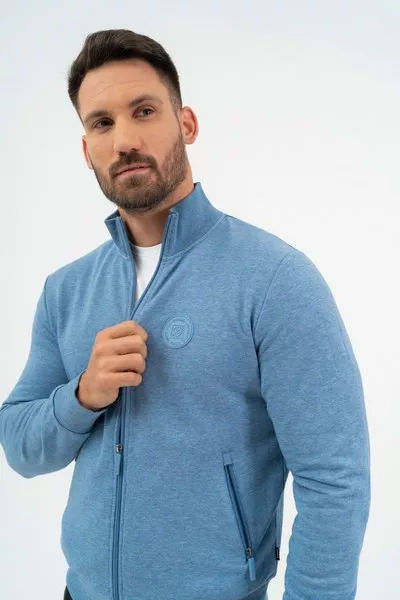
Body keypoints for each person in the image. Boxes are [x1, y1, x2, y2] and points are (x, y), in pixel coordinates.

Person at [0, 29, 370, 600]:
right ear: (86, 150)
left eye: (144, 111)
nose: (125, 140)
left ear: (186, 123)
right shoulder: (65, 290)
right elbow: (20, 446)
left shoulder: (275, 279)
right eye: (102, 123)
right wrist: (82, 396)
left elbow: (335, 481)